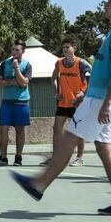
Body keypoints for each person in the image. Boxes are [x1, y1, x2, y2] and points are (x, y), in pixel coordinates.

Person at [12, 0, 111, 216]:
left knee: (69, 137)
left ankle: (39, 184)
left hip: (100, 100)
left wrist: (107, 102)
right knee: (104, 148)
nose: (106, 4)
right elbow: (108, 70)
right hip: (99, 98)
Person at [40, 38, 90, 167]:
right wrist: (56, 91)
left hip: (77, 102)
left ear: (74, 48)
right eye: (64, 48)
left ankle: (79, 158)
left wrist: (82, 93)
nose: (65, 50)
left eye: (68, 47)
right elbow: (54, 78)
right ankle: (56, 156)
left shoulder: (82, 63)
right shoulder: (59, 63)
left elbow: (93, 79)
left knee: (78, 131)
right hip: (64, 102)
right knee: (56, 128)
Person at [0, 40, 32, 167]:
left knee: (20, 130)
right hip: (6, 103)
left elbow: (24, 82)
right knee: (3, 129)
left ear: (23, 51)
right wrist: (11, 82)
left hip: (21, 103)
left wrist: (16, 68)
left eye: (17, 50)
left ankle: (18, 157)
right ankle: (3, 157)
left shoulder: (27, 65)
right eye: (13, 49)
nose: (14, 52)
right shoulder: (4, 64)